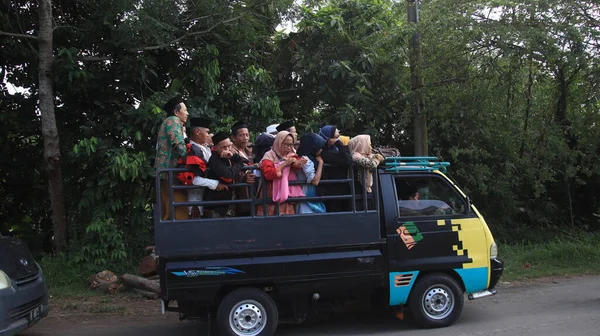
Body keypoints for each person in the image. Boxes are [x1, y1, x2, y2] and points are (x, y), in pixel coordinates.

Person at [203, 132, 254, 218]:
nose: (227, 149)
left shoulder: (229, 156)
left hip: (230, 204)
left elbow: (245, 161)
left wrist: (234, 156)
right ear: (215, 148)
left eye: (229, 146)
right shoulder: (214, 159)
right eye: (223, 147)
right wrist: (239, 164)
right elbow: (228, 175)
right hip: (217, 205)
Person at [155, 96, 189, 220]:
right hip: (170, 171)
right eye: (185, 110)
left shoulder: (169, 121)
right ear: (176, 112)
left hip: (167, 171)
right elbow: (178, 144)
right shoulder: (173, 120)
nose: (187, 113)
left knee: (169, 207)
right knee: (174, 209)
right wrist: (190, 160)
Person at [186, 117, 228, 218]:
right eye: (207, 132)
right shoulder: (191, 150)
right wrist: (215, 184)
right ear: (197, 132)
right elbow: (192, 178)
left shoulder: (206, 148)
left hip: (210, 199)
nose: (208, 135)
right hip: (196, 200)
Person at [257, 131, 306, 216]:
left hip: (287, 193)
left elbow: (295, 164)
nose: (289, 147)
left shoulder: (291, 155)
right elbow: (268, 174)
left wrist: (300, 162)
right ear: (279, 142)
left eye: (291, 145)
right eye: (286, 144)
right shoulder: (269, 156)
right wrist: (284, 164)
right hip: (270, 193)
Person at [317, 125, 353, 212]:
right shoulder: (323, 152)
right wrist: (339, 144)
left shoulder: (335, 149)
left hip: (342, 189)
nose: (338, 139)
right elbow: (347, 160)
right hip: (331, 192)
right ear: (328, 139)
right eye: (336, 137)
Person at [295, 133, 326, 214]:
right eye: (319, 147)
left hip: (307, 194)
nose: (321, 150)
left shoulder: (305, 157)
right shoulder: (306, 160)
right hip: (306, 195)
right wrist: (321, 163)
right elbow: (315, 181)